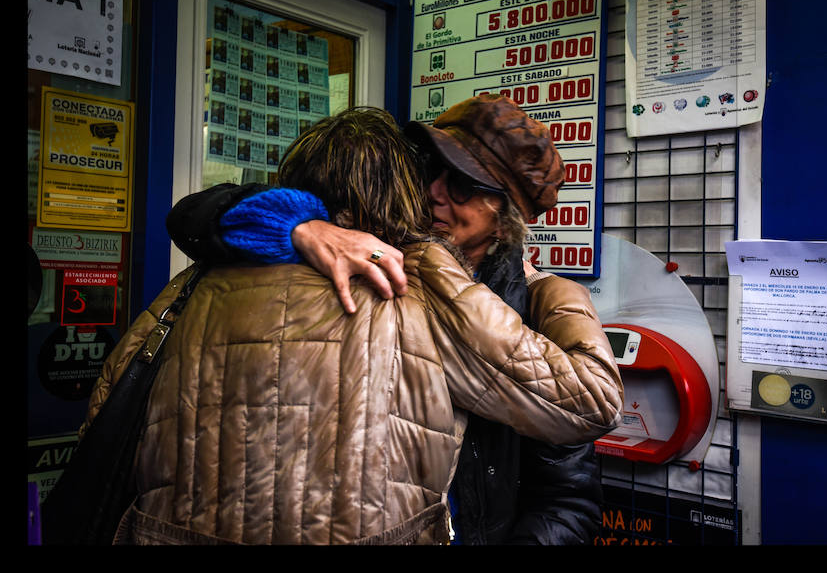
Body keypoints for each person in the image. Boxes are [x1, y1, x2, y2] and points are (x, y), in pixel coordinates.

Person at [81, 105, 624, 545]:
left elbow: (568, 491)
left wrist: (558, 294)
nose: (436, 192)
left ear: (504, 215)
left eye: (462, 185)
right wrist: (300, 226)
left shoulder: (514, 301)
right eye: (430, 171)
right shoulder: (402, 272)